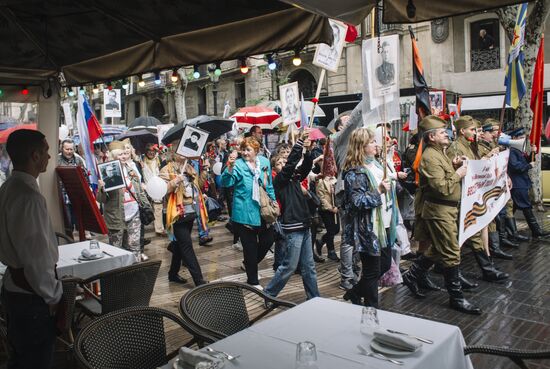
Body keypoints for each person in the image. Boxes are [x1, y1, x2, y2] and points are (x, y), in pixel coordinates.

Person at [402, 116, 482, 315]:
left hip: (448, 209)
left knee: (439, 248)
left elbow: (445, 177)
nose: (446, 135)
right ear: (431, 138)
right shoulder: (430, 157)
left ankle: (413, 275)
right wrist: (459, 173)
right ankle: (456, 298)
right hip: (439, 210)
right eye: (441, 133)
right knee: (451, 252)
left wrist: (454, 166)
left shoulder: (441, 153)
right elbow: (442, 187)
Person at [0, 129, 62, 369]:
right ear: (34, 155)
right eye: (46, 151)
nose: (49, 156)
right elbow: (36, 262)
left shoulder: (7, 189)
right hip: (31, 298)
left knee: (20, 358)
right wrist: (54, 297)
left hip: (15, 291)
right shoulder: (28, 197)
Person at [446, 116, 509, 283]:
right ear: (462, 130)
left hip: (470, 197)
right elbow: (460, 170)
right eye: (472, 130)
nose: (475, 133)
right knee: (456, 238)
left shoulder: (469, 146)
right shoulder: (455, 147)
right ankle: (450, 273)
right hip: (460, 197)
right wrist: (482, 160)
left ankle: (487, 270)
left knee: (472, 232)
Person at [264, 132, 320, 300]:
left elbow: (305, 167)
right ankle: (269, 294)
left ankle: (314, 298)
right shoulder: (279, 180)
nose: (284, 163)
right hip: (293, 228)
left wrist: (309, 151)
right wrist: (300, 142)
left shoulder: (294, 178)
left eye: (284, 161)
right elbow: (290, 167)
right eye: (280, 162)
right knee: (289, 266)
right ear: (275, 168)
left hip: (304, 225)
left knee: (309, 266)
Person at [341, 128, 390, 308]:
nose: (376, 145)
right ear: (361, 147)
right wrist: (378, 191)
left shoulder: (377, 165)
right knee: (371, 272)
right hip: (367, 229)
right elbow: (356, 202)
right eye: (372, 142)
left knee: (384, 265)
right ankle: (372, 311)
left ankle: (354, 292)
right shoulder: (355, 173)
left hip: (384, 224)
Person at [221, 137, 275, 289]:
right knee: (250, 247)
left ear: (256, 151)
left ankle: (249, 264)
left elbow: (268, 183)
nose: (244, 152)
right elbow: (226, 183)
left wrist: (273, 201)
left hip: (262, 210)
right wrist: (229, 168)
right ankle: (253, 280)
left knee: (268, 240)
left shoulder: (264, 162)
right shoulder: (237, 164)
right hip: (243, 212)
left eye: (248, 150)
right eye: (243, 149)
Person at [160, 149, 208, 286]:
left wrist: (204, 171)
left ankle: (173, 273)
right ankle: (199, 280)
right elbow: (162, 191)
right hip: (177, 213)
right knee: (187, 246)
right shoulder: (166, 169)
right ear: (173, 153)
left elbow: (197, 186)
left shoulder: (189, 167)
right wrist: (175, 181)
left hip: (191, 211)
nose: (182, 153)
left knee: (180, 244)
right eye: (178, 150)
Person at [97, 141, 149, 261]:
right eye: (120, 155)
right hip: (116, 217)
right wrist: (101, 188)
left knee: (135, 246)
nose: (123, 157)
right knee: (116, 249)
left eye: (124, 154)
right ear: (113, 156)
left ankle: (135, 273)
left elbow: (139, 191)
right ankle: (120, 276)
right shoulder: (107, 172)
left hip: (134, 214)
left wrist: (146, 206)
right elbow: (101, 199)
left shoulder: (131, 170)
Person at [477, 122, 513, 259]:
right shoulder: (480, 147)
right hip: (483, 188)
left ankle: (494, 247)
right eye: (492, 131)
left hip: (492, 186)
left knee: (492, 218)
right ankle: (488, 251)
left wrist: (506, 176)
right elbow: (480, 166)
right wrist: (490, 155)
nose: (495, 134)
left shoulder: (490, 145)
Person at [507, 128, 550, 239]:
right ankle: (536, 231)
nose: (522, 139)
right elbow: (516, 167)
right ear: (514, 138)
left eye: (523, 137)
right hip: (518, 184)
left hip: (521, 183)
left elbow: (527, 160)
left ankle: (508, 232)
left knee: (512, 209)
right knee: (526, 207)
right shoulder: (512, 151)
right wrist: (528, 166)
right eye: (520, 137)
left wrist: (533, 151)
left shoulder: (518, 151)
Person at [142, 143, 166, 236]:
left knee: (158, 207)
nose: (151, 153)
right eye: (149, 151)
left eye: (153, 151)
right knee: (150, 208)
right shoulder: (141, 161)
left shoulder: (159, 160)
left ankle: (159, 229)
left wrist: (159, 150)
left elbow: (165, 156)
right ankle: (154, 224)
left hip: (157, 186)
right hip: (146, 187)